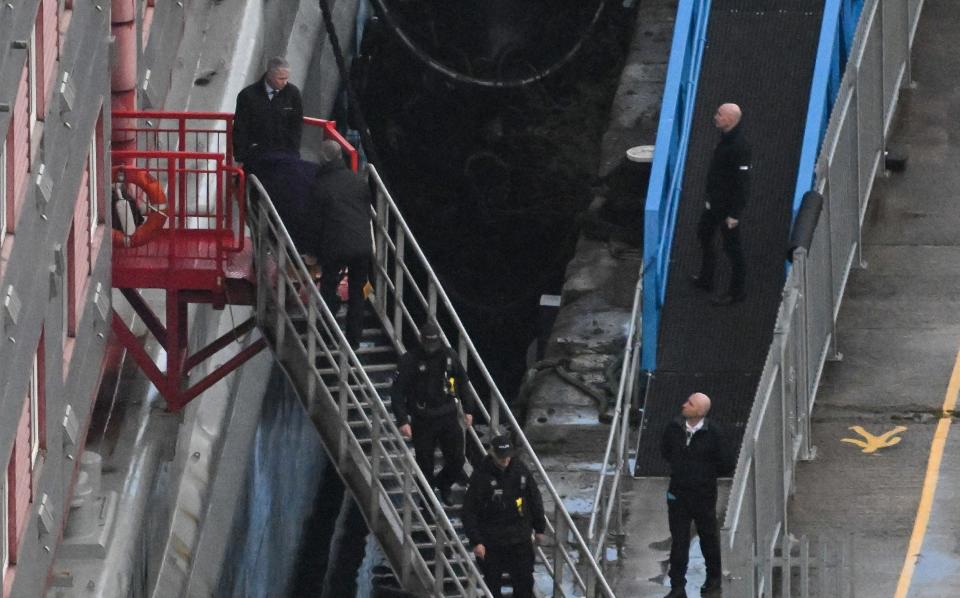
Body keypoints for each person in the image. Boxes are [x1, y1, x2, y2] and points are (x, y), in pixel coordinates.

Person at [660, 392, 736, 597]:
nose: (684, 405)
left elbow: (726, 463)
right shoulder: (674, 428)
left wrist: (704, 474)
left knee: (708, 538)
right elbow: (665, 451)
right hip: (678, 494)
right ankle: (677, 586)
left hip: (703, 495)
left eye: (690, 403)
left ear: (700, 411)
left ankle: (713, 580)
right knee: (679, 540)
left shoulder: (714, 434)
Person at [392, 320, 474, 504]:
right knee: (425, 465)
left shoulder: (449, 356)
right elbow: (397, 392)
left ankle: (443, 484)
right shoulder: (410, 360)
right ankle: (427, 505)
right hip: (423, 418)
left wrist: (468, 409)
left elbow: (462, 382)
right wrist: (402, 420)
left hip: (447, 415)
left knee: (457, 460)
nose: (431, 348)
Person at [462, 433, 546, 598]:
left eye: (508, 457)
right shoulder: (481, 476)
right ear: (492, 453)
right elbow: (469, 511)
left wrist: (539, 527)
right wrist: (476, 541)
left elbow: (534, 497)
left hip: (519, 537)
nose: (505, 460)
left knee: (524, 583)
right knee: (492, 585)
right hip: (492, 540)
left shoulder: (520, 470)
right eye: (501, 457)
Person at [691, 103, 752, 306]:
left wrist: (735, 214)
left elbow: (743, 184)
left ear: (730, 120)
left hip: (727, 207)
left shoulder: (739, 147)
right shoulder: (725, 140)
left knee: (733, 249)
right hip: (715, 203)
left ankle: (737, 292)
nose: (715, 116)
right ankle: (706, 278)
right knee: (704, 234)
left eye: (719, 114)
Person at [314, 140, 373, 347]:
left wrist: (313, 252)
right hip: (362, 245)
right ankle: (353, 340)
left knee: (329, 285)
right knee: (358, 291)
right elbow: (366, 212)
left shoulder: (321, 186)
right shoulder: (358, 182)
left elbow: (316, 223)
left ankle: (328, 333)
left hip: (336, 246)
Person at [232, 56, 304, 174]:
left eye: (287, 78)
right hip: (256, 155)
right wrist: (241, 156)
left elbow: (296, 125)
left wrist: (293, 152)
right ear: (269, 75)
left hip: (284, 155)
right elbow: (240, 127)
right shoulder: (247, 96)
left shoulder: (293, 94)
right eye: (281, 78)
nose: (285, 82)